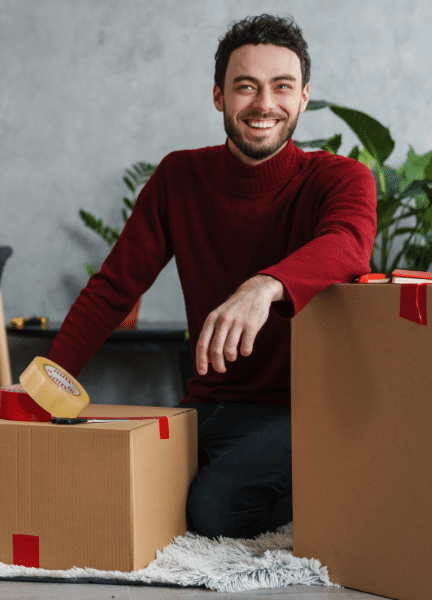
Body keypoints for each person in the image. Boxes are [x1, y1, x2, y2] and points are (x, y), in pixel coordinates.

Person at [36, 15, 377, 538]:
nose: (264, 103)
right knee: (104, 491)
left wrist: (264, 286)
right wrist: (41, 389)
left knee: (213, 509)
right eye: (246, 86)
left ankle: (337, 483)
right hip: (206, 407)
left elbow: (348, 246)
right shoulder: (179, 176)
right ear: (219, 96)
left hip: (298, 412)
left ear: (304, 97)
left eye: (282, 86)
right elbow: (114, 288)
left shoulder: (341, 179)